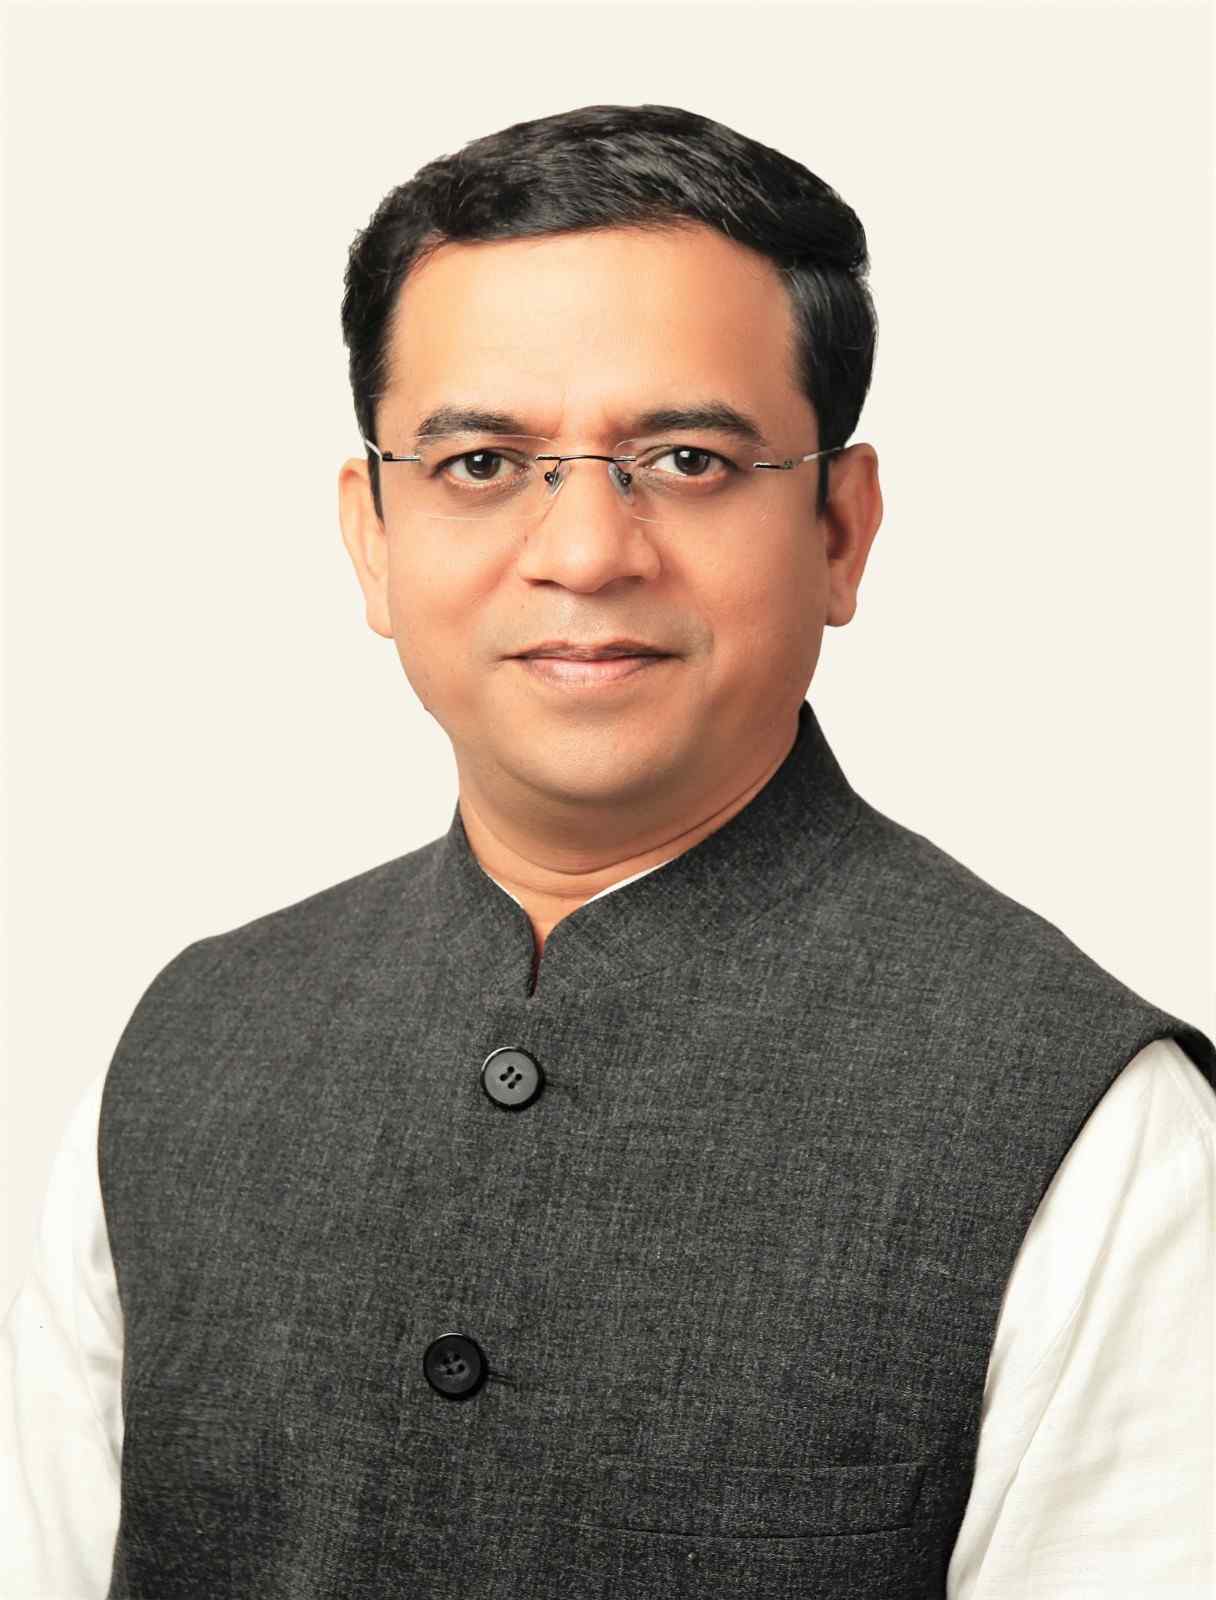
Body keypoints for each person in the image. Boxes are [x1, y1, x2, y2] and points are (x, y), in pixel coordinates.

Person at [3, 101, 1213, 1600]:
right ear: (371, 535)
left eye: (689, 458)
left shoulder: (1098, 1134)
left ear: (840, 529)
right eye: (480, 463)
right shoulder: (182, 1056)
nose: (585, 553)